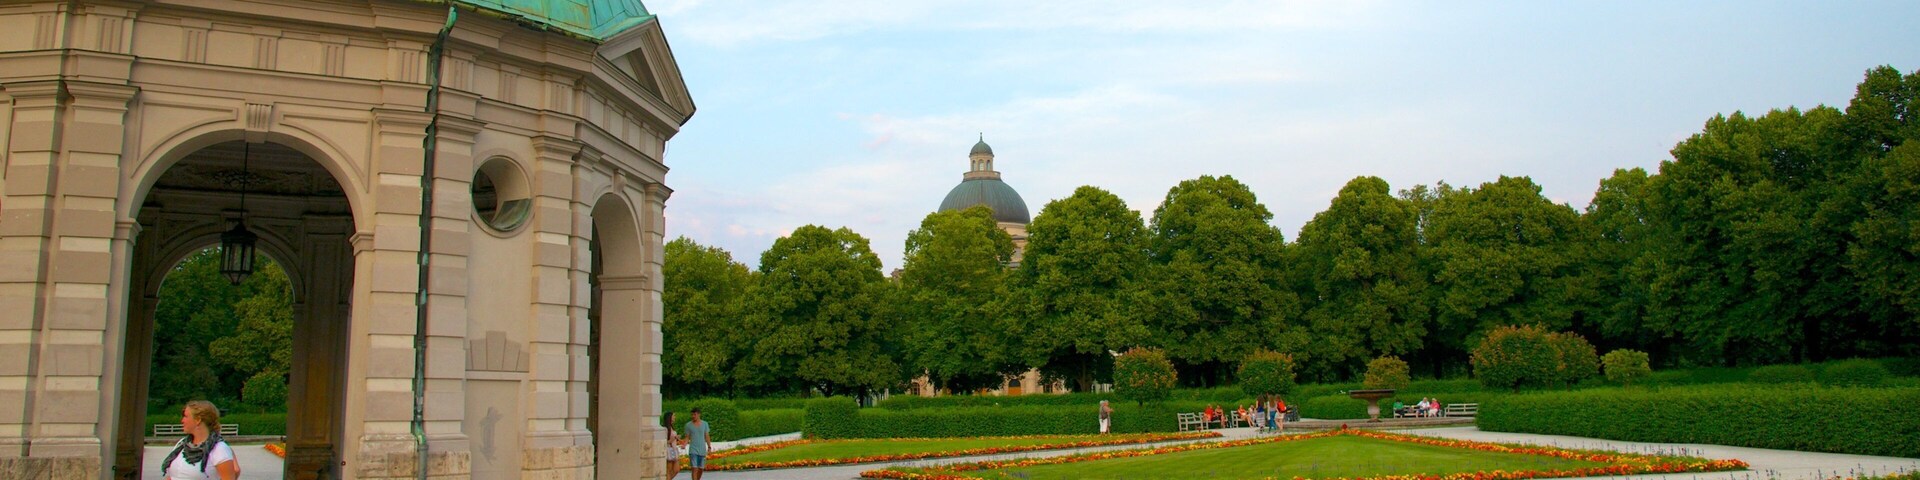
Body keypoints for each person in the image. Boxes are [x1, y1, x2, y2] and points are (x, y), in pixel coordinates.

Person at [160, 400, 239, 480]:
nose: (182, 420)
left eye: (185, 416)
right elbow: (172, 477)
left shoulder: (219, 449)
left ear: (198, 420)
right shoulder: (182, 444)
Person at [686, 407, 712, 480]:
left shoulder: (705, 424)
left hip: (702, 449)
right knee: (694, 468)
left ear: (699, 414)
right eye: (692, 415)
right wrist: (684, 443)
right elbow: (687, 437)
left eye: (695, 414)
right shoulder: (688, 425)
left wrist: (709, 446)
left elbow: (707, 436)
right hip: (693, 449)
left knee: (701, 468)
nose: (693, 416)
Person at [664, 412, 682, 480]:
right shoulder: (666, 428)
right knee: (669, 470)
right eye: (674, 416)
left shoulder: (671, 427)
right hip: (669, 449)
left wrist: (677, 439)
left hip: (674, 449)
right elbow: (665, 442)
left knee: (676, 469)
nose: (675, 417)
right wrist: (674, 438)